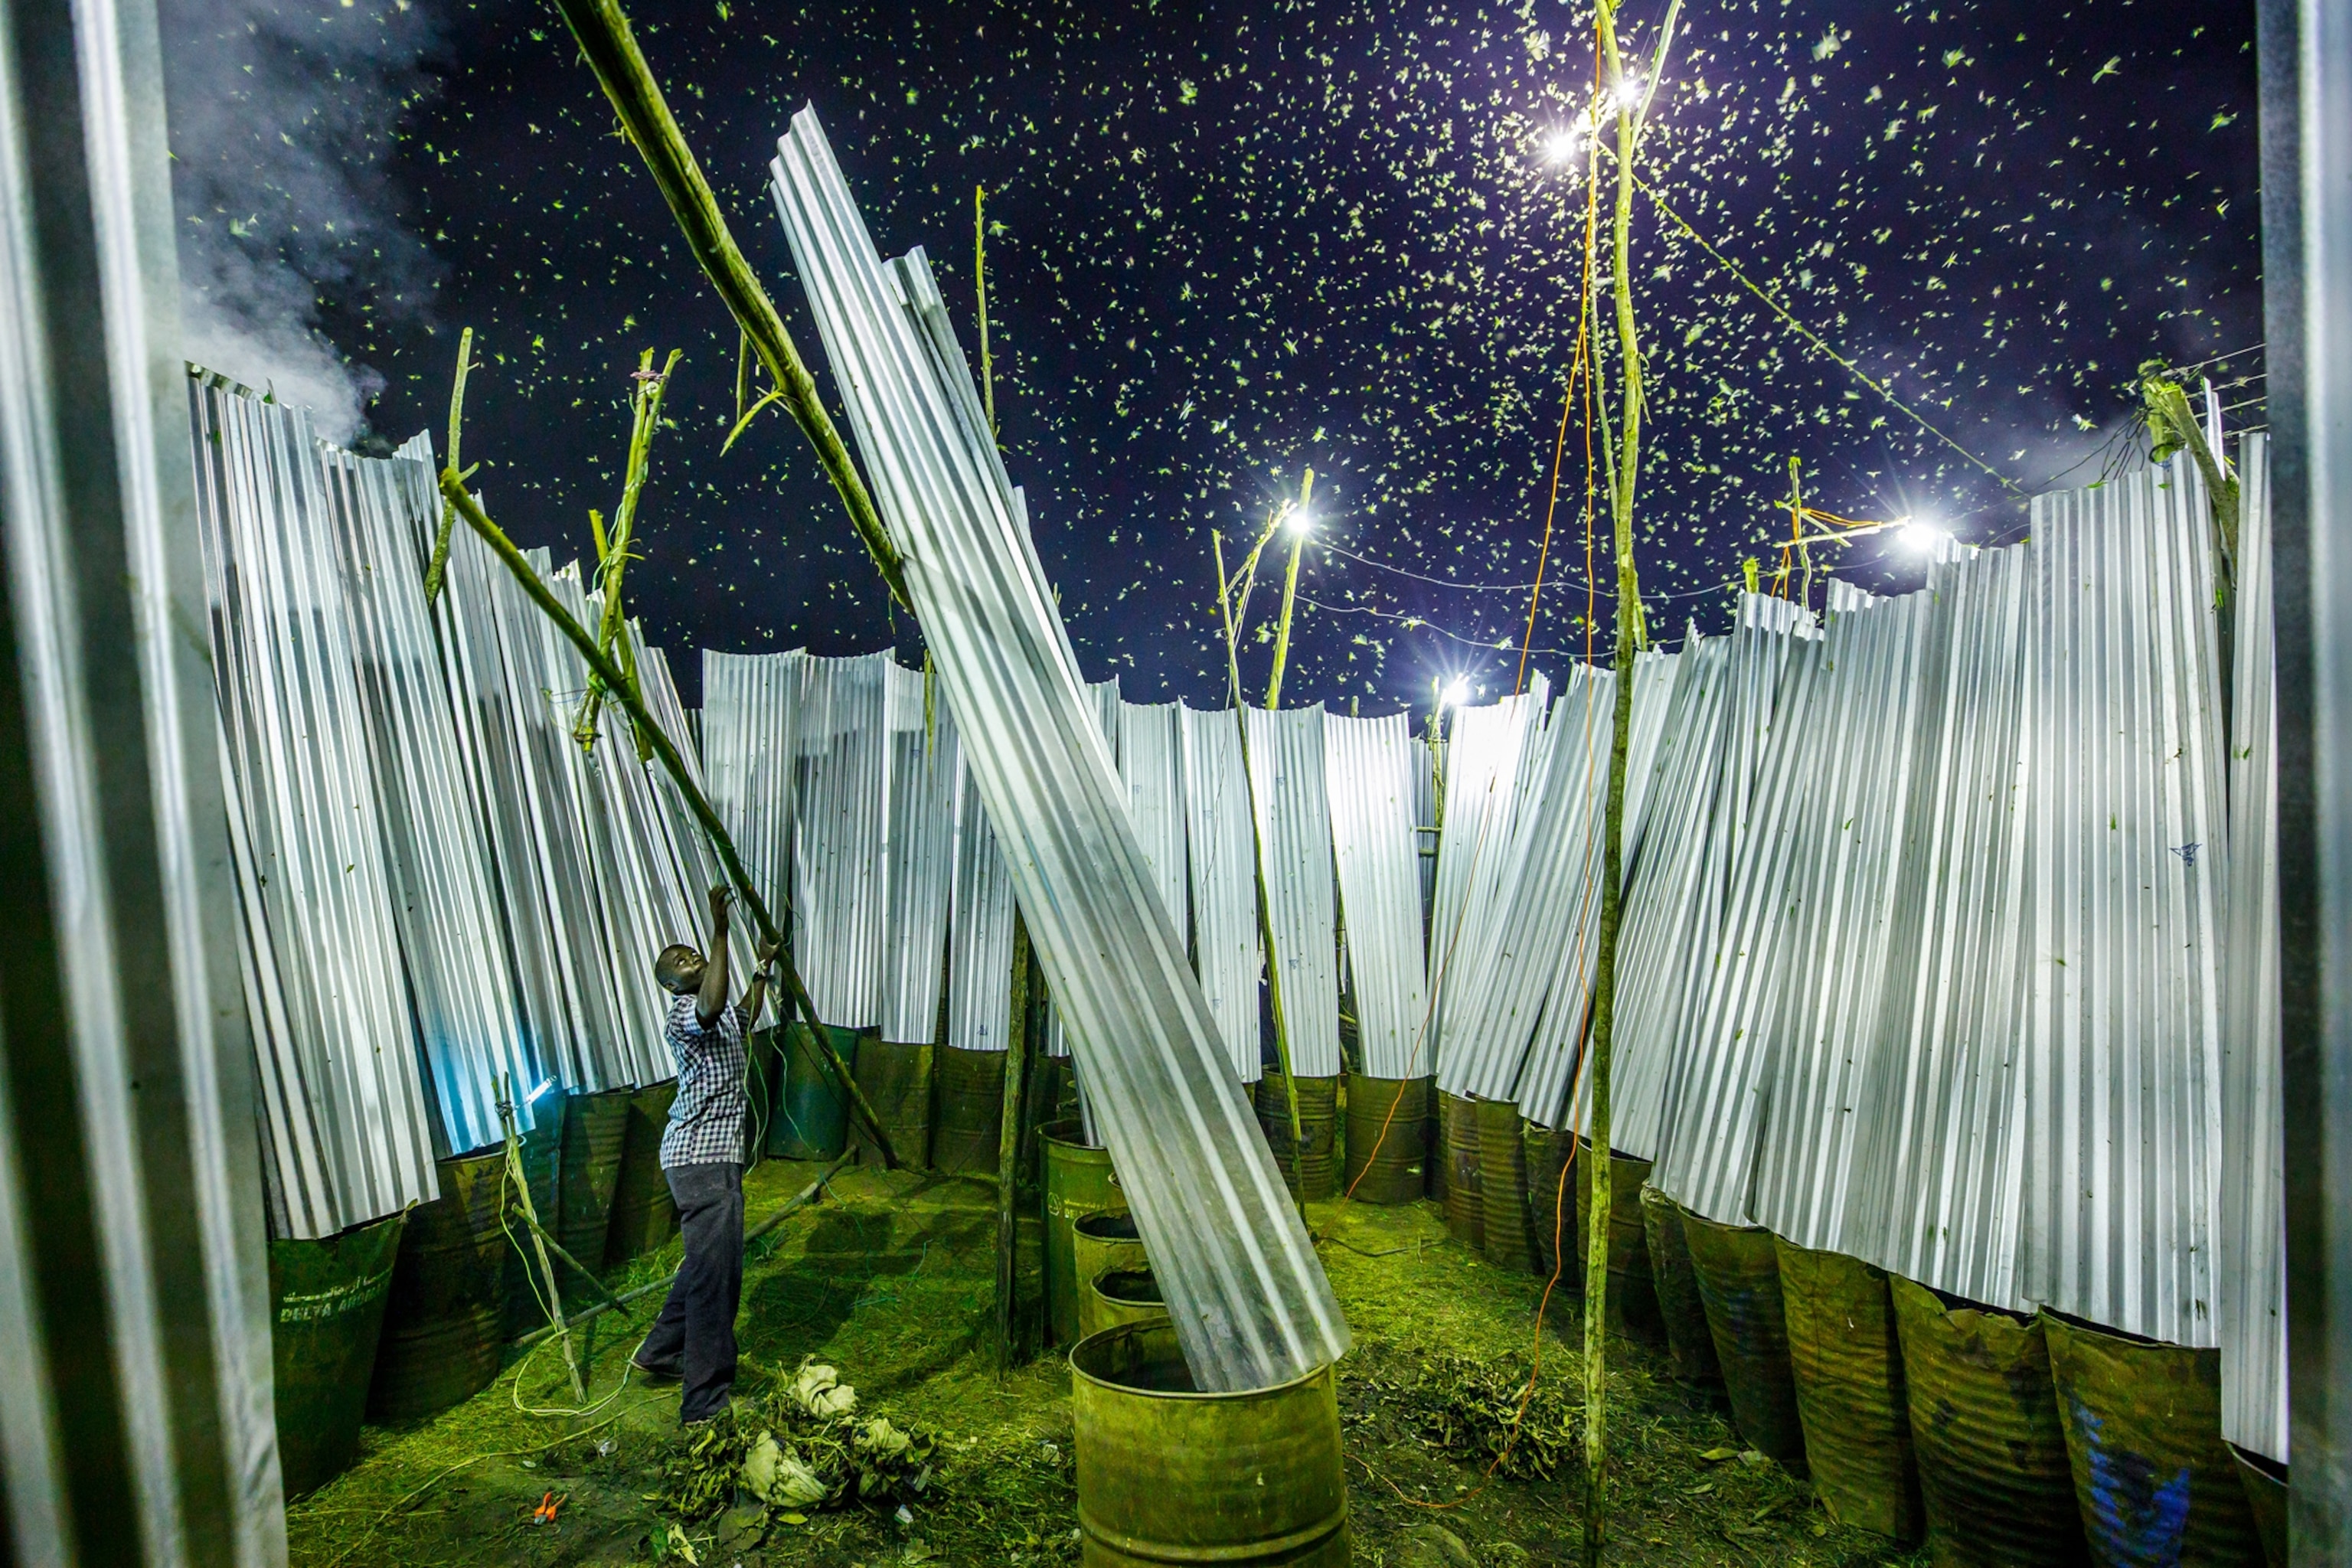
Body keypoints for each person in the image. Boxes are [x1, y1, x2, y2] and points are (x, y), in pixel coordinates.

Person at [631, 884, 776, 1424]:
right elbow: (713, 1006)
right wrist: (719, 931)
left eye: (693, 952)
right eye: (681, 961)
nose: (691, 959)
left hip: (712, 1159)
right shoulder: (682, 1016)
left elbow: (741, 1012)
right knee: (719, 1281)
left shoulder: (714, 1017)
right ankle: (704, 1404)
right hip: (699, 1159)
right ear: (671, 985)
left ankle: (661, 1352)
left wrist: (760, 968)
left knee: (703, 1265)